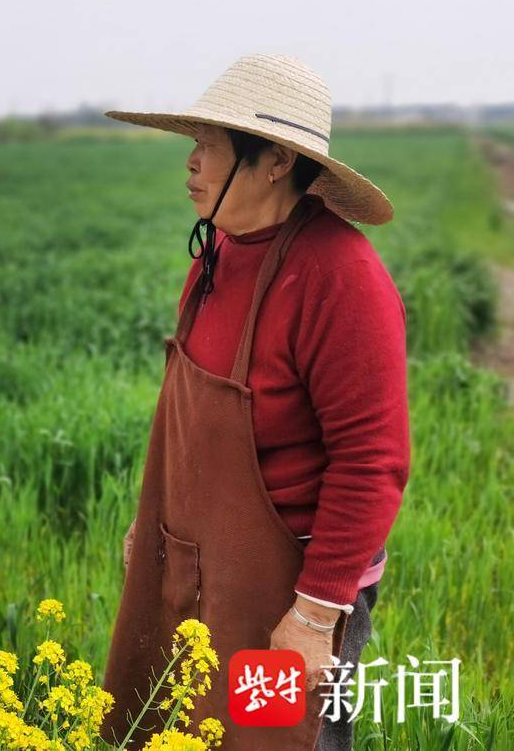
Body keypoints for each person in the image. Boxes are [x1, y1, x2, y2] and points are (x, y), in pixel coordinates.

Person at [100, 55, 410, 750]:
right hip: (200, 566)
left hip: (288, 584)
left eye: (208, 145)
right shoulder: (217, 254)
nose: (190, 162)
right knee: (187, 732)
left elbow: (372, 460)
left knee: (272, 740)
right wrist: (154, 523)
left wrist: (314, 613)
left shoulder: (340, 276)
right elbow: (188, 419)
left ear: (272, 160)